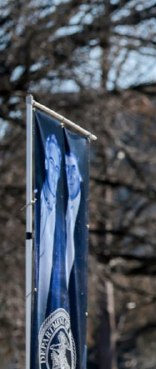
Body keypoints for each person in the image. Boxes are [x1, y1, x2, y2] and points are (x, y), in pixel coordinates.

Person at [37, 134, 66, 326]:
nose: (54, 172)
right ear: (46, 164)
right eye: (52, 164)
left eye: (58, 167)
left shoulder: (61, 215)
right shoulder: (35, 203)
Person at [64, 151, 83, 290]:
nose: (70, 174)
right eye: (67, 169)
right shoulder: (59, 205)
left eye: (73, 168)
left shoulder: (82, 206)